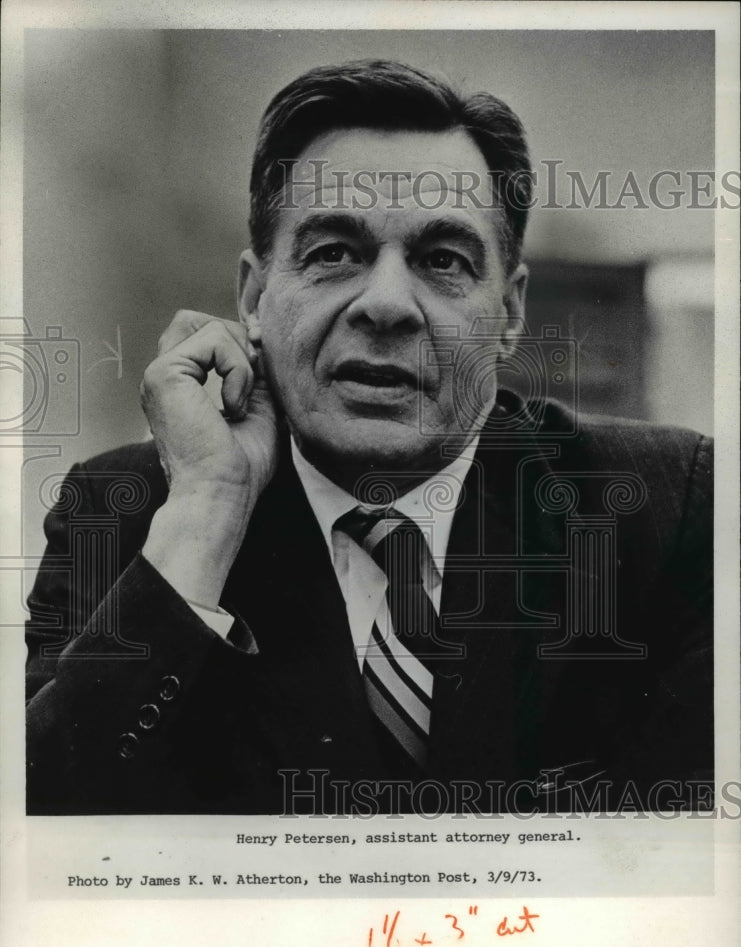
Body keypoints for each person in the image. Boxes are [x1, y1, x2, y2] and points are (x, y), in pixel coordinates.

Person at [25, 60, 713, 816]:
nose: (385, 305)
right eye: (333, 254)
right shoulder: (125, 515)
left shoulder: (665, 509)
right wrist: (210, 509)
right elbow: (42, 843)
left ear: (510, 312)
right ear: (253, 298)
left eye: (441, 261)